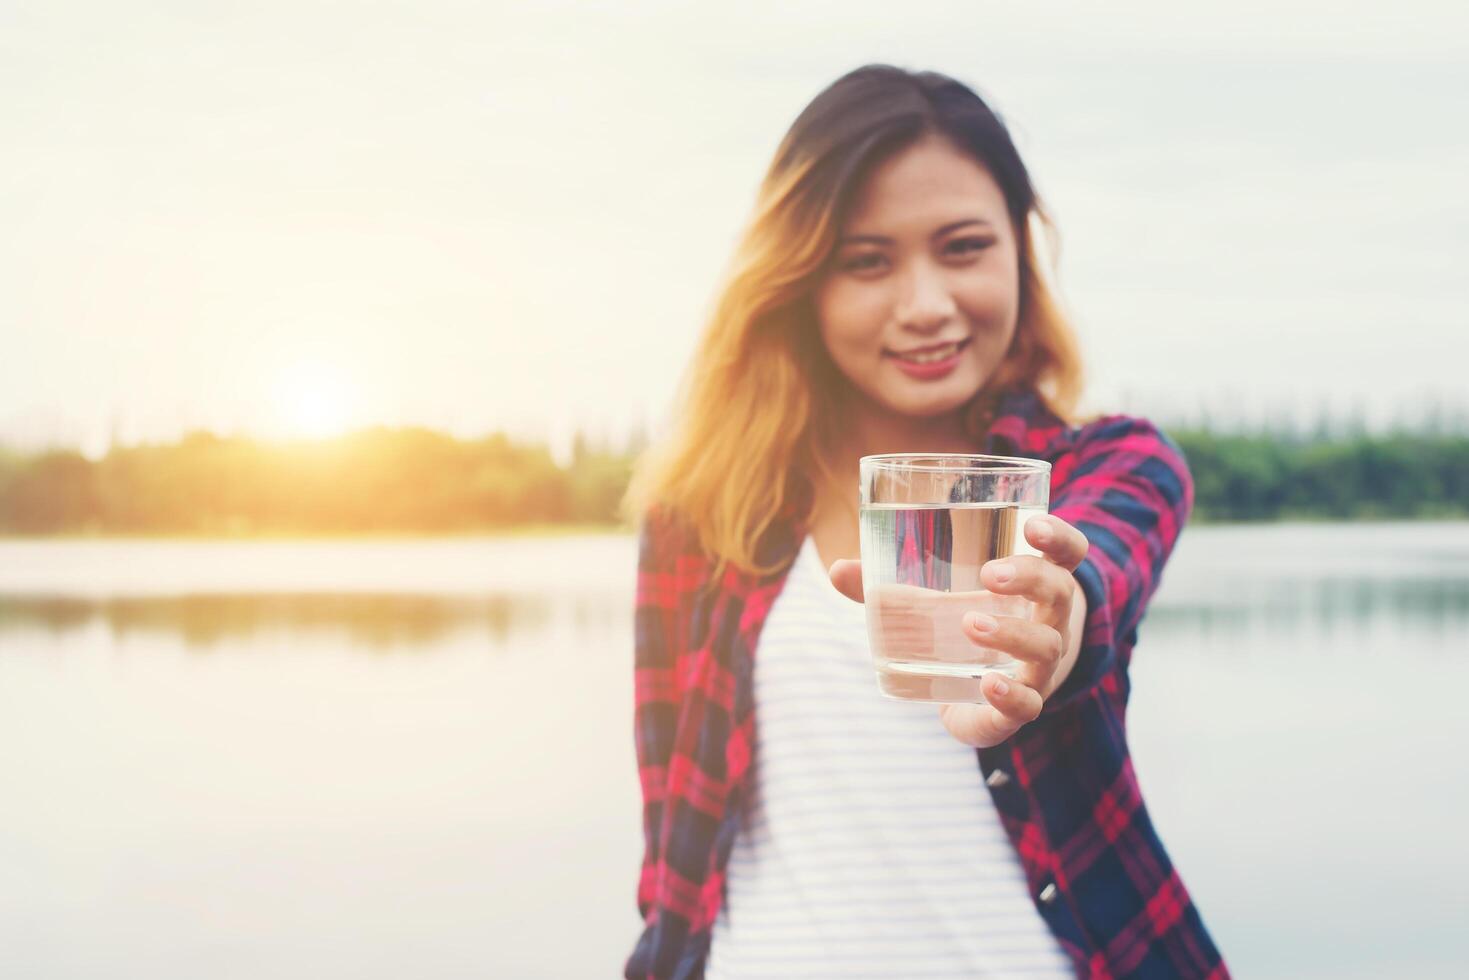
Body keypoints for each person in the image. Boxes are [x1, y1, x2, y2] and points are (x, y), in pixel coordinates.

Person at [623, 65, 1228, 979]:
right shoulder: (702, 516)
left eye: (962, 247)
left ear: (1020, 255)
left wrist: (1050, 626)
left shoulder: (1110, 464)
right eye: (867, 261)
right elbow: (672, 850)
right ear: (799, 282)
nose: (925, 305)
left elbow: (1089, 576)